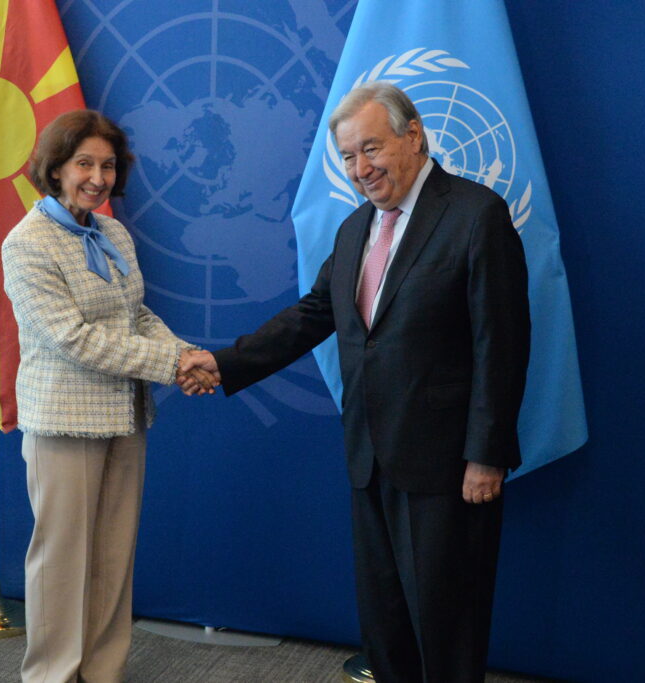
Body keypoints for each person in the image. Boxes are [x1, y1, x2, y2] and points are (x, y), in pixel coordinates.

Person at [181, 82, 530, 683]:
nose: (360, 167)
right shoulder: (355, 230)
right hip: (370, 459)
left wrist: (486, 455)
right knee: (385, 629)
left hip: (447, 470)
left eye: (372, 147)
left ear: (413, 136)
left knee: (447, 631)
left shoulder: (476, 216)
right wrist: (226, 363)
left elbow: (500, 344)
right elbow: (313, 315)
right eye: (347, 155)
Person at [1, 109, 212, 683]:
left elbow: (135, 315)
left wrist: (186, 352)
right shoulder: (25, 244)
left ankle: (101, 672)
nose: (98, 177)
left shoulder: (112, 232)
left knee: (113, 560)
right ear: (55, 168)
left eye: (108, 165)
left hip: (125, 417)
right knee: (63, 565)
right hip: (63, 422)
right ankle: (52, 676)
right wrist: (175, 364)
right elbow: (74, 339)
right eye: (84, 164)